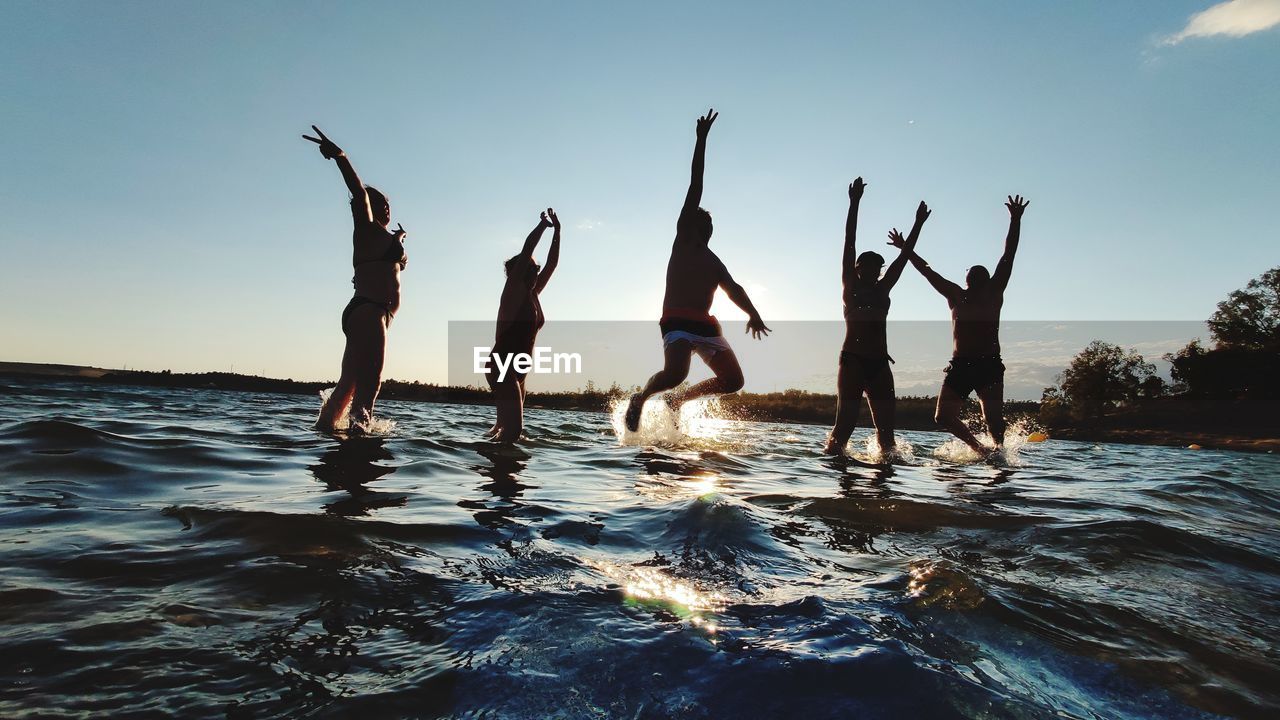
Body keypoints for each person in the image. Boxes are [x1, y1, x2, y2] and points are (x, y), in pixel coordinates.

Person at [623, 109, 770, 432]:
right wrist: (701, 140)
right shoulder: (683, 241)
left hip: (705, 327)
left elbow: (734, 289)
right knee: (675, 374)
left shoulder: (714, 260)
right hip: (676, 320)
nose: (705, 224)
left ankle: (679, 400)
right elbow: (696, 184)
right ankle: (642, 397)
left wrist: (753, 313)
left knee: (733, 380)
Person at [891, 195, 1029, 455]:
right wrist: (904, 248)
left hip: (989, 364)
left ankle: (999, 456)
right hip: (960, 365)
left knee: (994, 422)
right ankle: (979, 449)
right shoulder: (956, 295)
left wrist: (1015, 220)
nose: (975, 275)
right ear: (966, 279)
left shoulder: (993, 293)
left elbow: (1008, 255)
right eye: (971, 273)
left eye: (980, 274)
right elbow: (926, 270)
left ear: (987, 279)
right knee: (942, 417)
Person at [303, 126, 408, 432]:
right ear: (367, 208)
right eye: (381, 203)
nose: (386, 207)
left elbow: (393, 262)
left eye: (388, 203)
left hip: (372, 313)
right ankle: (359, 445)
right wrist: (341, 157)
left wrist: (399, 238)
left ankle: (324, 430)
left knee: (348, 384)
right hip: (368, 311)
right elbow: (358, 191)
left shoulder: (383, 237)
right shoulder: (364, 228)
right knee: (370, 383)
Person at [824, 177, 930, 457]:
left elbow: (904, 257)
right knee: (844, 427)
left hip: (880, 363)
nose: (871, 270)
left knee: (887, 436)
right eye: (865, 266)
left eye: (876, 267)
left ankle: (884, 483)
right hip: (853, 360)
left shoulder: (884, 288)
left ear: (880, 270)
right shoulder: (851, 286)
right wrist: (854, 202)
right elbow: (849, 240)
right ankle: (838, 477)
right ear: (858, 268)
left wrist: (918, 223)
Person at [486, 208, 561, 442]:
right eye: (531, 268)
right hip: (503, 365)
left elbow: (552, 264)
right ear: (517, 272)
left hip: (519, 370)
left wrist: (558, 231)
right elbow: (528, 248)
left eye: (535, 269)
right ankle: (499, 475)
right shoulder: (513, 291)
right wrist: (542, 227)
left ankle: (490, 464)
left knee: (502, 430)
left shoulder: (533, 294)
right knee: (513, 432)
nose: (536, 272)